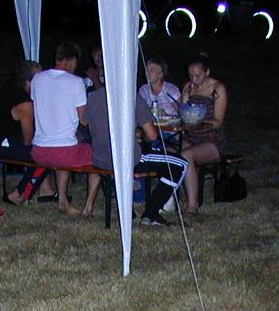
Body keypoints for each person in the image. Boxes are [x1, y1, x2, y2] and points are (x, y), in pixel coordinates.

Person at [81, 79, 188, 225]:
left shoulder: (93, 96)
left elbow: (88, 125)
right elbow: (152, 136)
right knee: (180, 164)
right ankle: (151, 214)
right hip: (128, 159)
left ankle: (147, 206)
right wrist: (139, 134)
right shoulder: (132, 98)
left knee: (162, 159)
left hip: (101, 158)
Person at [0, 60, 56, 205]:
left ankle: (46, 190)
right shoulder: (24, 103)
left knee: (44, 147)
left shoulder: (9, 87)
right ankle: (18, 193)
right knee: (45, 153)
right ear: (29, 82)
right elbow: (28, 140)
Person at [30, 42, 92, 216]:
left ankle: (63, 200)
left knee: (66, 143)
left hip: (38, 151)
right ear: (71, 60)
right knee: (99, 155)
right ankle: (88, 206)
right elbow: (84, 120)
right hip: (64, 153)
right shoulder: (76, 82)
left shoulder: (37, 79)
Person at [179, 53, 227, 215]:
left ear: (207, 72)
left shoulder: (218, 89)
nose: (194, 79)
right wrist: (184, 101)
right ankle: (168, 199)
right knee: (171, 152)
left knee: (186, 156)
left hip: (212, 139)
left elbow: (218, 121)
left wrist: (199, 123)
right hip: (191, 136)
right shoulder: (188, 87)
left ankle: (192, 206)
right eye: (190, 75)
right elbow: (183, 112)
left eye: (197, 76)